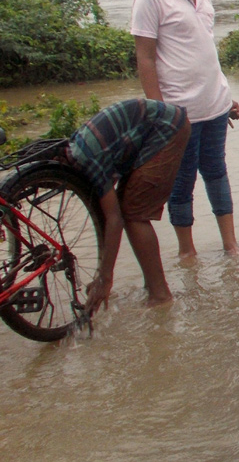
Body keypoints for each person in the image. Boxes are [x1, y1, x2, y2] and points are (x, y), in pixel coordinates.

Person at [131, 0, 239, 258]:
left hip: (215, 105)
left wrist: (226, 95)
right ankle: (187, 253)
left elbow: (204, 51)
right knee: (182, 182)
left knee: (217, 173)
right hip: (180, 113)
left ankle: (230, 244)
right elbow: (146, 59)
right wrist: (161, 114)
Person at [63, 99, 191, 313]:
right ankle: (152, 283)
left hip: (169, 128)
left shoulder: (88, 161)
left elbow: (115, 220)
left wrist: (105, 278)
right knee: (127, 206)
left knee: (134, 213)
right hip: (148, 129)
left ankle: (161, 296)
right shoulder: (76, 147)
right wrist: (102, 272)